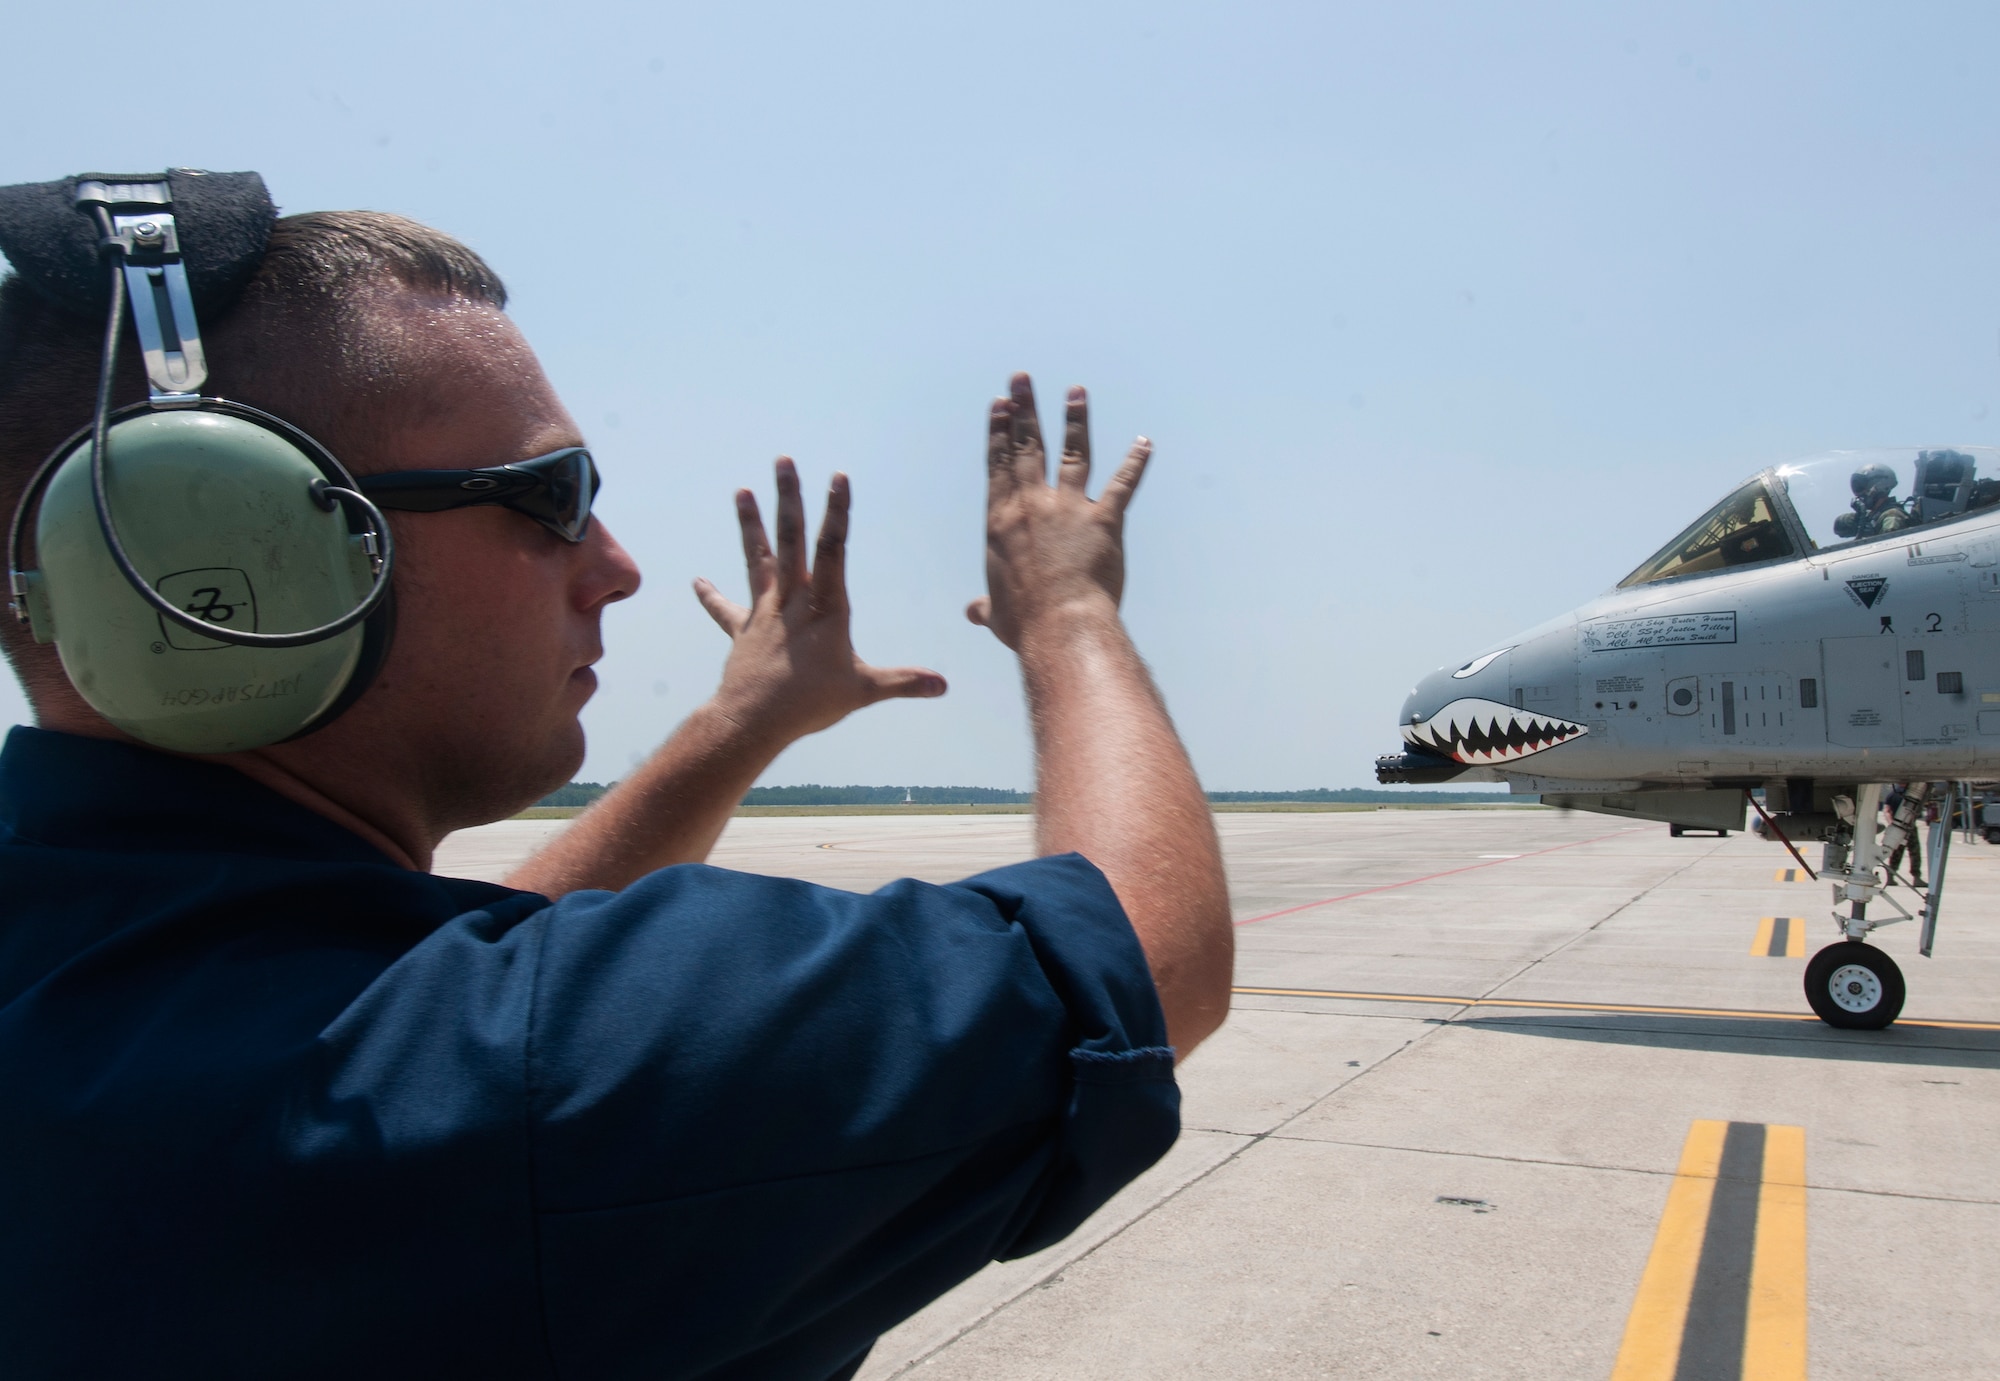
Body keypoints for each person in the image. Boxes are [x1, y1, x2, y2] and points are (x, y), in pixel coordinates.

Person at [0, 202, 1233, 1378]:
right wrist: (1064, 611)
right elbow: (1139, 956)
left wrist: (737, 724)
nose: (619, 567)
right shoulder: (528, 1101)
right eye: (550, 496)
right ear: (230, 553)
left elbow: (416, 1004)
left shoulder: (114, 985)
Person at [1832, 461, 1912, 539]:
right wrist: (1860, 517)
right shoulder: (1871, 516)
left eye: (1861, 487)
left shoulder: (1892, 516)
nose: (1859, 495)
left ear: (1880, 486)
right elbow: (1840, 526)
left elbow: (1890, 545)